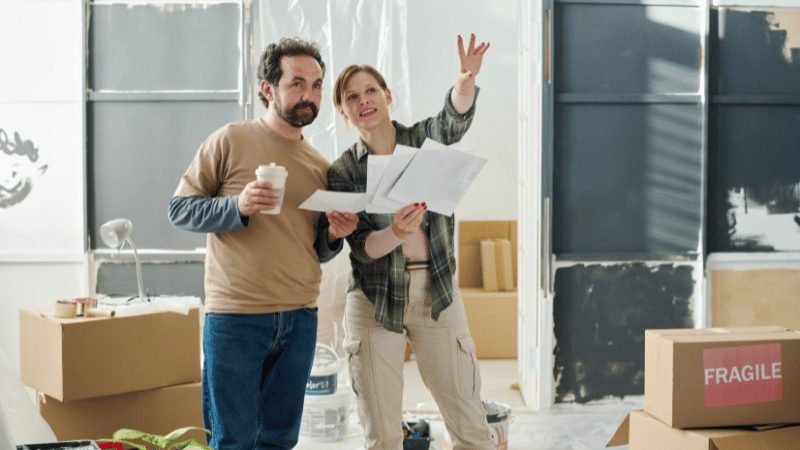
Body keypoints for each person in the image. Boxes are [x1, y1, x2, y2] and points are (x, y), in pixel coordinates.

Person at [168, 37, 358, 450]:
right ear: (268, 87)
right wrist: (236, 206)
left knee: (279, 440)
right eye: (298, 83)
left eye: (317, 85)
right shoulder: (230, 140)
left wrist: (333, 235)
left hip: (300, 319)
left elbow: (318, 247)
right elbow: (180, 209)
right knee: (232, 440)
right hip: (237, 318)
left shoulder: (322, 167)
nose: (309, 95)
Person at [328, 34, 494, 450]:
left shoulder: (422, 142)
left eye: (370, 90)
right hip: (374, 300)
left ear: (387, 96)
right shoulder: (344, 169)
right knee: (382, 435)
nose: (363, 100)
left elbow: (451, 122)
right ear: (343, 111)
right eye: (351, 97)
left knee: (471, 426)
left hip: (436, 293)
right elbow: (363, 249)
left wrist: (465, 80)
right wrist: (397, 233)